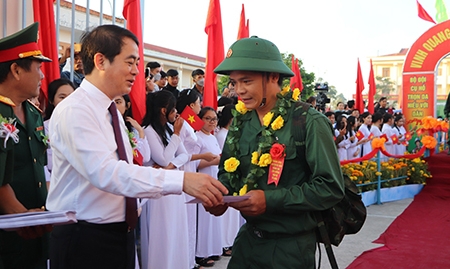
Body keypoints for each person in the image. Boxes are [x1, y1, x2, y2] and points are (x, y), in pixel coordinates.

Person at [46, 24, 227, 269]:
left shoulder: (112, 113)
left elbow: (126, 167)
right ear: (101, 61)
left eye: (138, 63)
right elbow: (106, 172)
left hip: (118, 233)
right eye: (130, 62)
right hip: (85, 239)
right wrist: (180, 181)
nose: (136, 71)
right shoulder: (76, 110)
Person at [206, 36, 344, 268]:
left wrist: (270, 200)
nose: (238, 90)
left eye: (246, 81)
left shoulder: (308, 122)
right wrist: (221, 197)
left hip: (291, 249)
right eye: (234, 82)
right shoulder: (240, 122)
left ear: (273, 76)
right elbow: (227, 173)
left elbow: (329, 187)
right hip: (248, 243)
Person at [0, 22, 53, 269]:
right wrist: (21, 216)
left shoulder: (33, 113)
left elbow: (39, 167)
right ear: (16, 70)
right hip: (8, 234)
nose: (43, 75)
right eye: (38, 67)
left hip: (35, 230)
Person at [43, 78, 76, 188]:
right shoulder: (44, 127)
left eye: (71, 96)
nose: (67, 101)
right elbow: (44, 163)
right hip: (55, 184)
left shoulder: (84, 125)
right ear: (52, 100)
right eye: (62, 97)